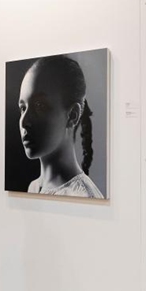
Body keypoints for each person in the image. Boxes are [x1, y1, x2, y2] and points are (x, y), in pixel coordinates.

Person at [18, 55, 104, 198]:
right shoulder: (34, 186)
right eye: (22, 108)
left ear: (72, 115)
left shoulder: (83, 195)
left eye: (39, 106)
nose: (24, 121)